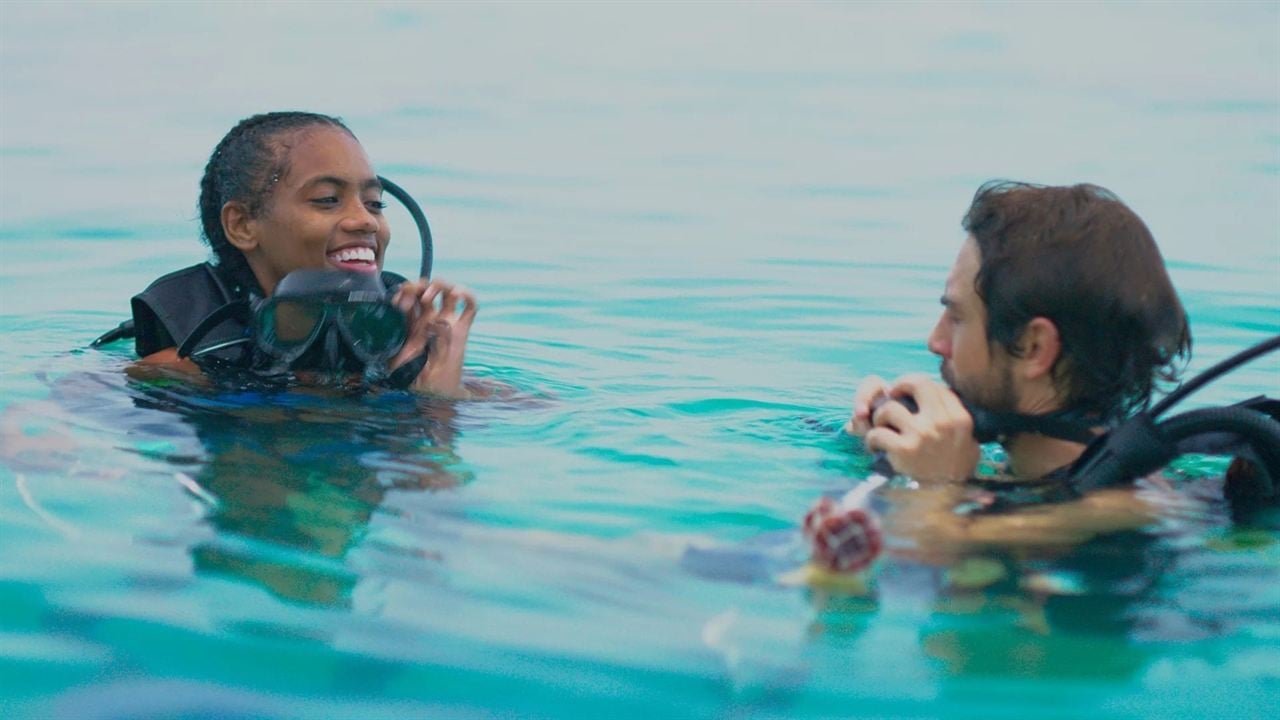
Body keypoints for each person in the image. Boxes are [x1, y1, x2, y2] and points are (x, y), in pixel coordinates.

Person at [845, 180, 1191, 484]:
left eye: (957, 316)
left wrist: (937, 485)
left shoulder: (1106, 516)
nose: (935, 342)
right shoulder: (1046, 481)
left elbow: (920, 554)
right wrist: (877, 451)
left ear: (1033, 348)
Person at [129, 111, 477, 397]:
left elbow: (439, 479)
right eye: (326, 199)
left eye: (375, 203)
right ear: (243, 225)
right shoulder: (179, 373)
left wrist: (437, 401)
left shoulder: (414, 367)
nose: (366, 221)